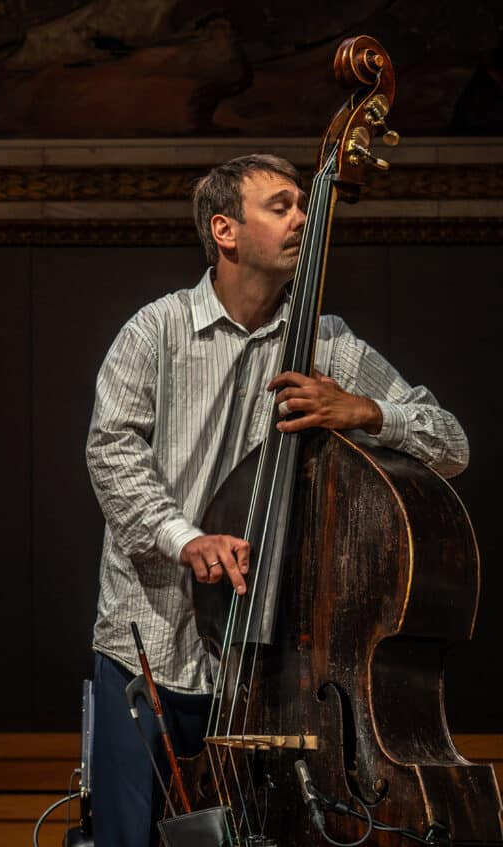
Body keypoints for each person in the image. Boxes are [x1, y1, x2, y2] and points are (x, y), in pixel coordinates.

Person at [85, 154, 469, 847]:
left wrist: (365, 411)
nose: (303, 217)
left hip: (276, 669)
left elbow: (451, 442)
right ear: (225, 230)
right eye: (283, 205)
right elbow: (110, 453)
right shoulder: (156, 331)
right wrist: (184, 536)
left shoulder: (328, 342)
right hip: (152, 643)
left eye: (304, 204)